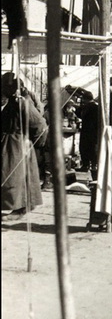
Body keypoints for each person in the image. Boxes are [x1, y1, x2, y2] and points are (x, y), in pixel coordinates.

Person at [2, 72, 49, 222]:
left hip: (17, 144)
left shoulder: (22, 102)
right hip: (10, 142)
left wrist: (34, 143)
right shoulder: (13, 101)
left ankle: (21, 207)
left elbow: (40, 124)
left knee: (14, 178)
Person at [77, 90, 101, 172]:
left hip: (87, 131)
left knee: (84, 148)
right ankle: (94, 165)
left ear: (85, 99)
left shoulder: (87, 107)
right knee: (93, 149)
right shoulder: (97, 107)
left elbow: (80, 114)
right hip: (94, 132)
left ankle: (85, 165)